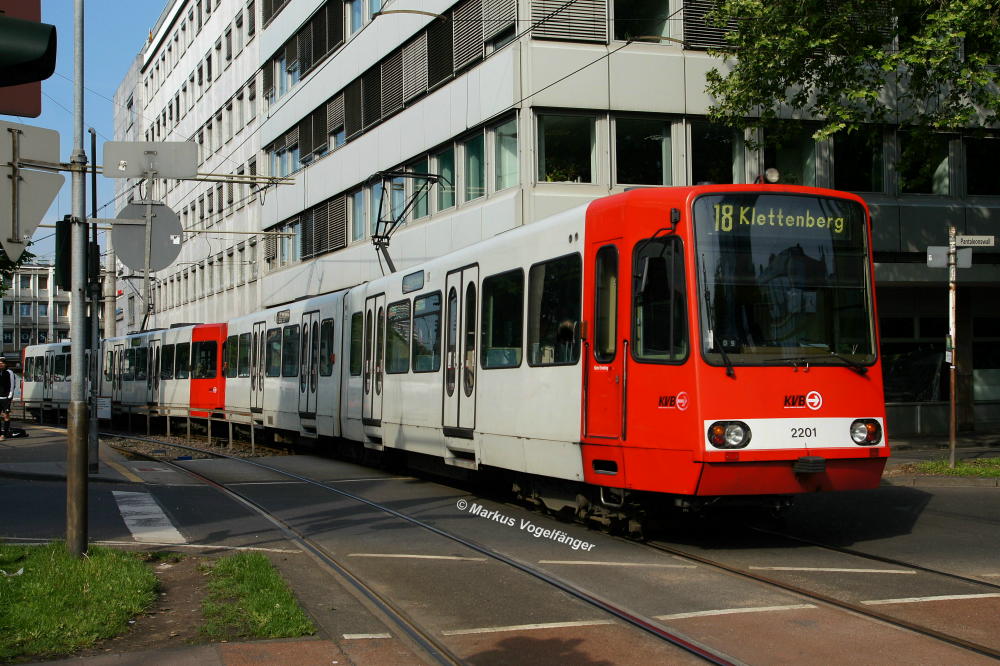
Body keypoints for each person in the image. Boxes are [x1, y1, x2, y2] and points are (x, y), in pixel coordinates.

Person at [0, 357, 15, 440]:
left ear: (5, 364)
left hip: (6, 397)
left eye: (2, 363)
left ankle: (4, 434)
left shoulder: (9, 372)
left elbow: (12, 385)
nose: (1, 364)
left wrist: (10, 396)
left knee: (6, 415)